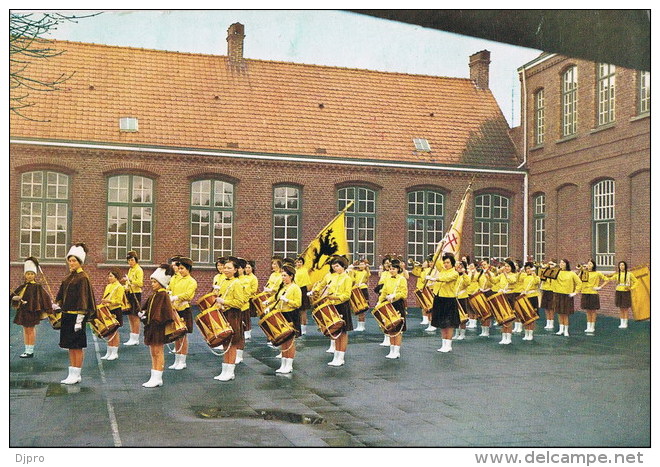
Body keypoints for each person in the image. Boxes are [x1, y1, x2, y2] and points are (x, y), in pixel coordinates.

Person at [53, 243, 96, 385]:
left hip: (77, 316)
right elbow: (62, 294)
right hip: (67, 316)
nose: (71, 263)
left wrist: (80, 319)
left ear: (80, 262)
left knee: (77, 346)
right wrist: (57, 304)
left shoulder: (83, 278)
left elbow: (84, 298)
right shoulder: (68, 277)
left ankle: (77, 373)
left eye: (74, 261)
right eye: (70, 260)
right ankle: (72, 373)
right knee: (70, 346)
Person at [139, 264, 177, 388]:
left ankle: (158, 377)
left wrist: (152, 320)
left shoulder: (163, 295)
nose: (152, 284)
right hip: (152, 327)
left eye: (155, 282)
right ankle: (154, 375)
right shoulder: (154, 295)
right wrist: (143, 313)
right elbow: (147, 308)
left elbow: (164, 313)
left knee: (158, 351)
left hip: (158, 328)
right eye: (152, 281)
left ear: (161, 282)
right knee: (153, 352)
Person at [214, 257, 248, 381]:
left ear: (235, 270)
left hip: (233, 314)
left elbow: (239, 302)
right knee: (225, 342)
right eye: (225, 267)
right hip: (224, 313)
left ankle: (230, 371)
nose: (226, 270)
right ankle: (225, 370)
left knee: (232, 343)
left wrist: (225, 302)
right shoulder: (223, 281)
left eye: (229, 268)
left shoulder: (237, 283)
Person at [11, 257, 51, 358]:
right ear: (25, 275)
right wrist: (16, 298)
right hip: (23, 312)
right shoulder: (22, 286)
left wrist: (49, 308)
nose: (30, 276)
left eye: (32, 274)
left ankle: (30, 350)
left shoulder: (37, 287)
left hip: (32, 312)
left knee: (31, 330)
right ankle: (26, 349)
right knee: (25, 330)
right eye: (28, 274)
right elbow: (12, 296)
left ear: (35, 275)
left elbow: (45, 298)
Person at [264, 264, 302, 374]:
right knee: (283, 340)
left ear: (291, 276)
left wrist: (287, 301)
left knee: (290, 341)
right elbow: (276, 299)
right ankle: (283, 363)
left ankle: (289, 364)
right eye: (282, 275)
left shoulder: (295, 288)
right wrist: (268, 305)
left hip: (291, 314)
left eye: (285, 275)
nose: (283, 278)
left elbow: (298, 304)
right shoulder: (283, 287)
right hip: (281, 314)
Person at [319, 256, 353, 366]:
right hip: (333, 305)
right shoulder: (333, 277)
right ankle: (336, 356)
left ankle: (341, 357)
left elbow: (347, 295)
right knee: (335, 331)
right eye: (333, 266)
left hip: (342, 305)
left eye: (337, 266)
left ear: (343, 266)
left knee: (343, 332)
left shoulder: (347, 278)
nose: (335, 268)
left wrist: (334, 297)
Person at [166, 256, 197, 370]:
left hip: (184, 309)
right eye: (179, 268)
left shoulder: (192, 281)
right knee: (176, 335)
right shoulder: (175, 278)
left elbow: (188, 295)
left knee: (182, 336)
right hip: (174, 309)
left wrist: (177, 297)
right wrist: (169, 294)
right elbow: (169, 288)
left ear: (188, 269)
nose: (180, 270)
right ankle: (177, 360)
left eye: (182, 268)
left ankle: (182, 361)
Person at [376, 258, 407, 358]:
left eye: (394, 268)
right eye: (390, 269)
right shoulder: (387, 279)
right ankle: (391, 349)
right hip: (388, 303)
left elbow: (404, 293)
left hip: (397, 303)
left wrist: (394, 296)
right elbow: (384, 291)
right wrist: (380, 301)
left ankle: (396, 351)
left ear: (398, 269)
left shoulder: (402, 279)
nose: (391, 270)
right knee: (390, 327)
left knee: (397, 328)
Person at [430, 254, 460, 353]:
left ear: (452, 263)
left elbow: (446, 279)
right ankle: (443, 344)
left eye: (448, 262)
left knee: (449, 324)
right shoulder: (442, 270)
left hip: (449, 299)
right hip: (439, 298)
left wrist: (435, 279)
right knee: (442, 323)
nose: (445, 264)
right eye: (445, 262)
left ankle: (448, 344)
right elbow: (435, 259)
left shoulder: (455, 273)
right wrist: (439, 245)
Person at [99, 268, 129, 360]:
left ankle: (114, 352)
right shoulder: (108, 286)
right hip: (108, 310)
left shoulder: (119, 287)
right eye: (109, 276)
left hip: (116, 310)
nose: (109, 278)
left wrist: (109, 301)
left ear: (116, 277)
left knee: (114, 332)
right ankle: (109, 351)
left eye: (111, 276)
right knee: (109, 331)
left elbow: (119, 301)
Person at [552, 259, 581, 337]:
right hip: (558, 294)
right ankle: (561, 329)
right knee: (559, 313)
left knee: (565, 313)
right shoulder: (557, 272)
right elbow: (548, 276)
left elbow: (579, 283)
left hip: (567, 295)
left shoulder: (571, 273)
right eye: (560, 262)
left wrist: (575, 292)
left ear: (566, 264)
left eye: (563, 263)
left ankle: (566, 330)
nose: (561, 264)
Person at [579, 259, 610, 334]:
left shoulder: (597, 273)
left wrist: (600, 287)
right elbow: (578, 278)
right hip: (585, 292)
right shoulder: (584, 273)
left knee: (593, 310)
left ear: (593, 265)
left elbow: (607, 279)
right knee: (587, 310)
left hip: (593, 293)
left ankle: (592, 326)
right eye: (588, 264)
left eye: (590, 264)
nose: (589, 266)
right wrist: (582, 270)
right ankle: (588, 326)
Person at [494, 259, 519, 345]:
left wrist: (505, 274)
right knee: (502, 317)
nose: (506, 268)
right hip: (501, 295)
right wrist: (488, 275)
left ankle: (509, 337)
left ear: (511, 267)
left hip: (510, 296)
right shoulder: (501, 275)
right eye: (505, 266)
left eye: (508, 266)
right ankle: (503, 336)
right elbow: (494, 281)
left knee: (509, 317)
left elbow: (512, 281)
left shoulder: (514, 275)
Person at [122, 250, 144, 346]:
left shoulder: (139, 269)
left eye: (131, 260)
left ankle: (136, 337)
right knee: (130, 316)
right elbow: (128, 283)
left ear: (136, 260)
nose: (130, 262)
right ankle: (132, 337)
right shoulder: (130, 270)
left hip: (136, 294)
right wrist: (125, 285)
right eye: (128, 260)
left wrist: (130, 280)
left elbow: (140, 283)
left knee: (135, 316)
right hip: (129, 293)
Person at [610, 260, 638, 329]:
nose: (621, 266)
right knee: (621, 308)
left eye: (622, 265)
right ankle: (621, 322)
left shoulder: (629, 274)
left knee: (625, 308)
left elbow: (636, 282)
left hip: (626, 292)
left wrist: (631, 288)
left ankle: (625, 323)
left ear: (625, 266)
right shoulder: (617, 274)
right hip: (618, 291)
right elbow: (609, 279)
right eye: (620, 265)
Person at [476, 259, 498, 337]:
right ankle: (483, 330)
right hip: (481, 292)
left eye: (485, 264)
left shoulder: (491, 273)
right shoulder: (480, 274)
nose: (483, 266)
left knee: (488, 312)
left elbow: (492, 282)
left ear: (488, 265)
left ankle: (487, 330)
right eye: (482, 265)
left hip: (488, 292)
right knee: (482, 311)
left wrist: (488, 273)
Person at [520, 262, 541, 341]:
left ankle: (531, 333)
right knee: (525, 316)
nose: (528, 270)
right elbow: (519, 283)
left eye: (529, 268)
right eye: (526, 269)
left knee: (532, 316)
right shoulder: (524, 277)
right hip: (525, 297)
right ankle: (526, 333)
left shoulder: (536, 277)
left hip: (533, 297)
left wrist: (534, 274)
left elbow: (537, 282)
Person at [410, 257, 433, 327]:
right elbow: (415, 273)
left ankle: (430, 321)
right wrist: (416, 266)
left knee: (429, 306)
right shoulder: (421, 270)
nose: (429, 263)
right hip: (420, 288)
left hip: (429, 289)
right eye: (428, 262)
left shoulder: (431, 270)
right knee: (422, 305)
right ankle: (425, 318)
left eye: (430, 262)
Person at [349, 258, 371, 332]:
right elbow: (352, 279)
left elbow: (368, 275)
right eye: (360, 264)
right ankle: (359, 325)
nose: (361, 265)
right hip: (356, 289)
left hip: (363, 289)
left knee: (362, 308)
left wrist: (367, 267)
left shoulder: (366, 272)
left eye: (363, 264)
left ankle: (362, 325)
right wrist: (352, 267)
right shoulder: (355, 271)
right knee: (357, 308)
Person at [240, 258, 258, 341]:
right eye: (246, 268)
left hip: (250, 299)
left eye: (249, 268)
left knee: (247, 316)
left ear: (252, 269)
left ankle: (248, 332)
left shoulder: (253, 278)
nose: (247, 269)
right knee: (243, 316)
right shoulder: (243, 277)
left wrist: (247, 293)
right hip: (243, 298)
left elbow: (254, 289)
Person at [453, 260, 471, 341]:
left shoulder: (465, 276)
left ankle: (462, 334)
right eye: (458, 266)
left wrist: (464, 273)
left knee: (463, 316)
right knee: (455, 316)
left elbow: (467, 283)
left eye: (461, 266)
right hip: (454, 297)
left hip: (462, 297)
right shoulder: (454, 275)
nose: (459, 268)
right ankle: (457, 333)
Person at [294, 256, 311, 335]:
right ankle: (297, 327)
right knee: (296, 309)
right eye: (297, 262)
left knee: (303, 310)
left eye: (300, 262)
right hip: (295, 289)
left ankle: (304, 327)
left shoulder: (304, 270)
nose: (299, 263)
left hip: (302, 289)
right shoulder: (294, 270)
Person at [540, 259, 557, 331]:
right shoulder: (545, 271)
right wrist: (544, 268)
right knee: (546, 307)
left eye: (552, 264)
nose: (550, 266)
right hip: (545, 289)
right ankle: (548, 322)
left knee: (551, 307)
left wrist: (554, 268)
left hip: (552, 290)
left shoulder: (556, 272)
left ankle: (551, 322)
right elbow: (541, 278)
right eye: (549, 264)